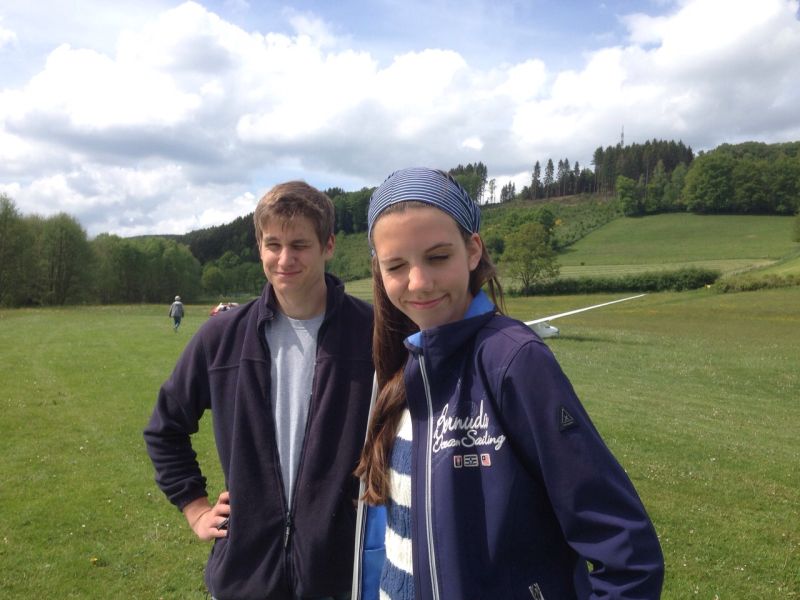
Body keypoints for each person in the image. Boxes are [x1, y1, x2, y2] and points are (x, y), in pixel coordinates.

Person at [352, 168, 664, 599]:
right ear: (379, 270)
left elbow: (627, 554)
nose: (418, 282)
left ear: (473, 250)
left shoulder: (512, 360)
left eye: (438, 257)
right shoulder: (404, 368)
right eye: (396, 265)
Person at [144, 181, 375, 600]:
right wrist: (195, 508)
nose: (285, 259)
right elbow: (165, 428)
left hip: (341, 577)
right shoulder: (221, 337)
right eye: (274, 245)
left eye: (300, 245)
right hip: (244, 577)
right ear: (260, 247)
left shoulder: (374, 335)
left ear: (328, 246)